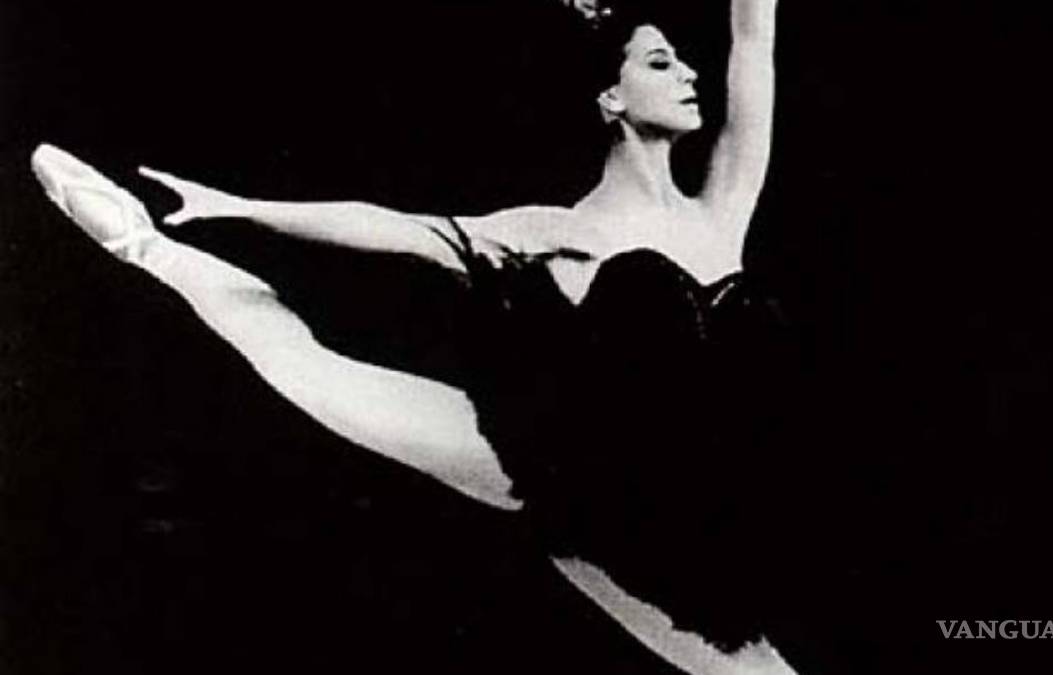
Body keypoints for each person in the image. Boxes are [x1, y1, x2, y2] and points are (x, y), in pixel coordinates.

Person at [31, 0, 795, 672]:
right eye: (661, 62)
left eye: (682, 60)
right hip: (558, 469)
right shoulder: (550, 229)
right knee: (306, 367)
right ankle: (150, 248)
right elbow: (397, 230)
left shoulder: (723, 202)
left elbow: (754, 34)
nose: (690, 73)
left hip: (685, 515)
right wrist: (239, 207)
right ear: (610, 97)